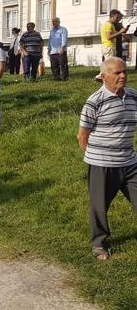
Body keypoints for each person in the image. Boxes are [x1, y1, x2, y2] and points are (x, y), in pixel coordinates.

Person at [77, 57, 137, 261]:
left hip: (129, 162)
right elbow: (82, 135)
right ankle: (99, 244)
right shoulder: (95, 102)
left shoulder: (133, 96)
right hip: (102, 164)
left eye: (124, 72)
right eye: (117, 73)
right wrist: (94, 158)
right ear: (103, 77)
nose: (122, 76)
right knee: (99, 206)